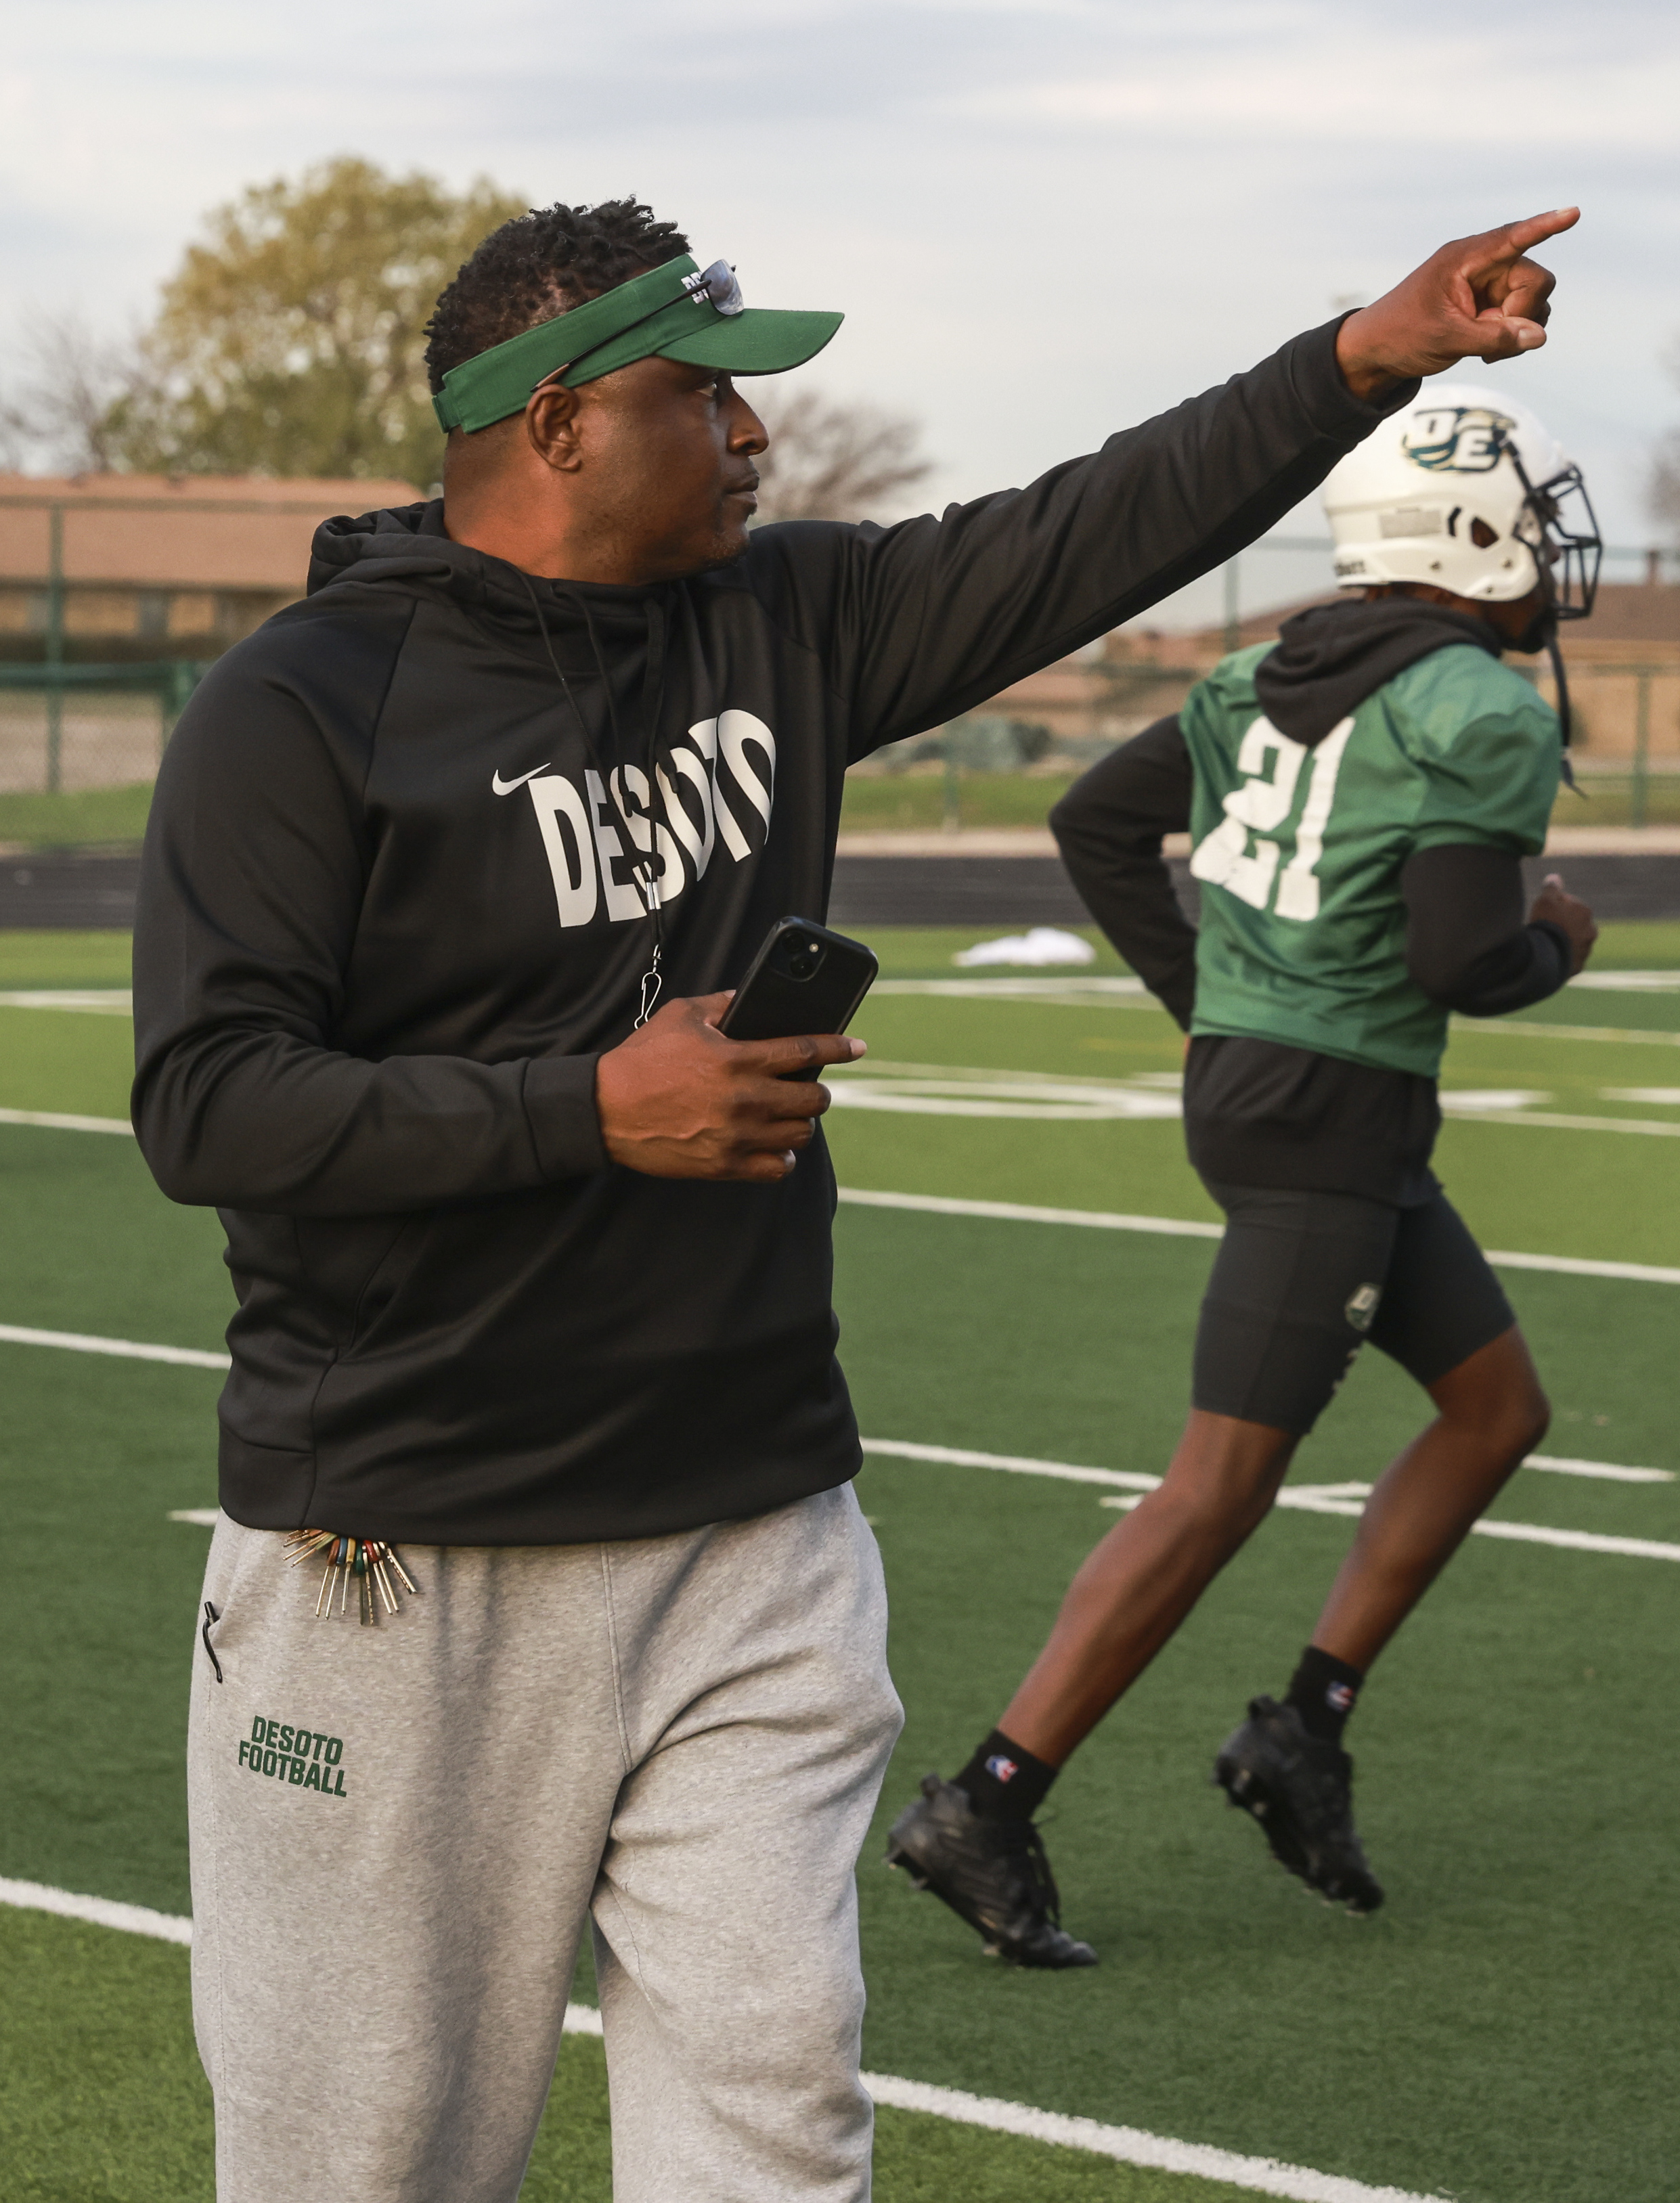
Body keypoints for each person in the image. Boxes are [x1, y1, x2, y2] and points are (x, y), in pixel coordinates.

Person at [131, 192, 1577, 2200]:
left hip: (752, 1534)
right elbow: (209, 1103)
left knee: (775, 2129)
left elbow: (1089, 526)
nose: (756, 437)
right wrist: (586, 1107)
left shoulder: (783, 617)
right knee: (367, 2163)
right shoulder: (297, 710)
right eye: (706, 396)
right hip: (408, 1553)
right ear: (553, 421)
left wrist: (1361, 356)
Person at [885, 384, 1599, 1967]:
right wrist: (1559, 937)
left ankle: (1307, 1727)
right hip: (1329, 1115)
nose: (1547, 550)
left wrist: (1211, 999)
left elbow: (1095, 821)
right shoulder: (1477, 710)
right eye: (1527, 522)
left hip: (1280, 1095)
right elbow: (1463, 958)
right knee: (1220, 1485)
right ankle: (987, 1805)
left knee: (1498, 1412)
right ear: (1462, 536)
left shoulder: (1260, 674)